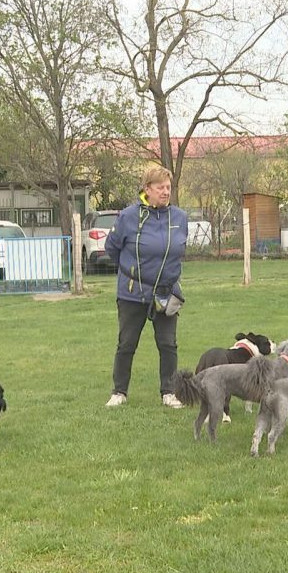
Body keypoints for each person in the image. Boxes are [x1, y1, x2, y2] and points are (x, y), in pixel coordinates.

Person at [104, 165, 189, 408]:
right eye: (160, 187)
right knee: (127, 343)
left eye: (168, 187)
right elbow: (112, 248)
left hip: (166, 293)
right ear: (147, 189)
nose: (165, 192)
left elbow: (180, 250)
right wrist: (132, 272)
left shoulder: (180, 218)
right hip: (132, 293)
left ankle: (169, 392)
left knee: (168, 344)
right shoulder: (128, 216)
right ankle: (119, 392)